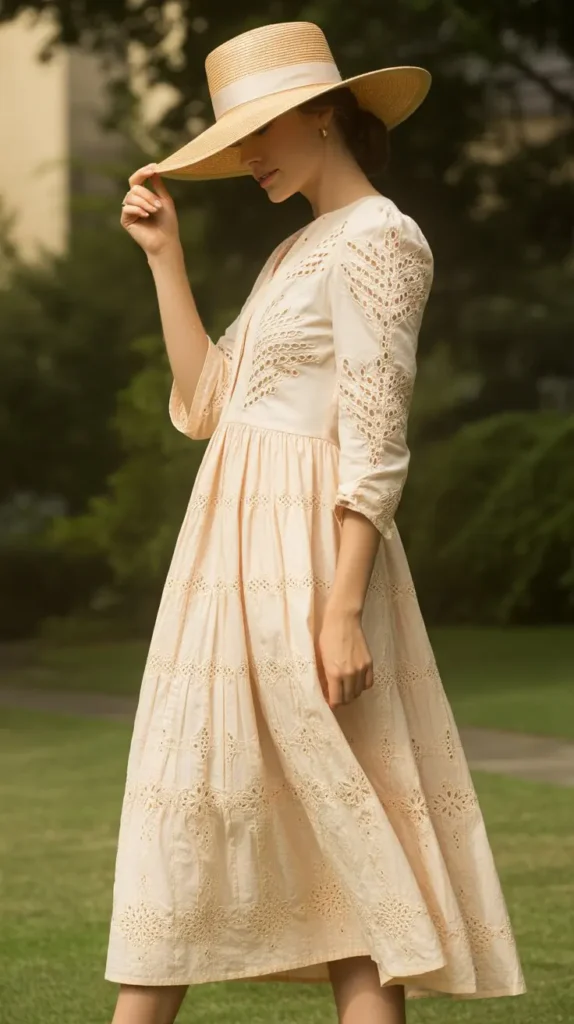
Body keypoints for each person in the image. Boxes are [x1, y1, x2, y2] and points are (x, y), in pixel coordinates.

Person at [106, 20, 525, 1024]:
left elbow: (377, 440)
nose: (249, 157)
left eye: (262, 132)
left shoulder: (383, 238)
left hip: (308, 562)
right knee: (193, 795)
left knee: (350, 828)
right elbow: (210, 406)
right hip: (222, 566)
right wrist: (164, 259)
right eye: (236, 139)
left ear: (326, 115)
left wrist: (340, 608)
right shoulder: (292, 248)